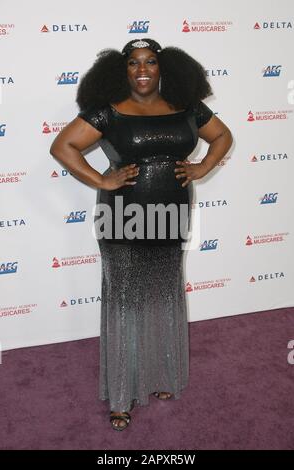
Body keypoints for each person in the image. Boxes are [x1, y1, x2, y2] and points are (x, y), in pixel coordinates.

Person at [50, 38, 233, 431]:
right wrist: (102, 178)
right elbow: (63, 146)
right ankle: (121, 394)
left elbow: (223, 137)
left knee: (163, 294)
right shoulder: (108, 112)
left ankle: (162, 375)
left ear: (164, 67)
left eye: (150, 61)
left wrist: (201, 168)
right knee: (125, 301)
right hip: (123, 217)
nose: (143, 69)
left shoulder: (187, 108)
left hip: (171, 212)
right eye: (134, 63)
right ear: (122, 70)